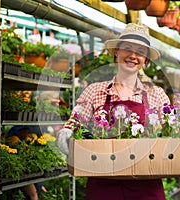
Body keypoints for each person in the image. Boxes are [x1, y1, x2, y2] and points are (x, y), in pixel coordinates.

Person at [57, 23, 170, 200]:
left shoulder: (156, 94)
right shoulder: (95, 91)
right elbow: (76, 119)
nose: (133, 55)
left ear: (146, 60)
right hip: (104, 186)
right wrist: (68, 131)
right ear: (117, 51)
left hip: (146, 188)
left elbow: (172, 131)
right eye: (127, 48)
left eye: (140, 51)